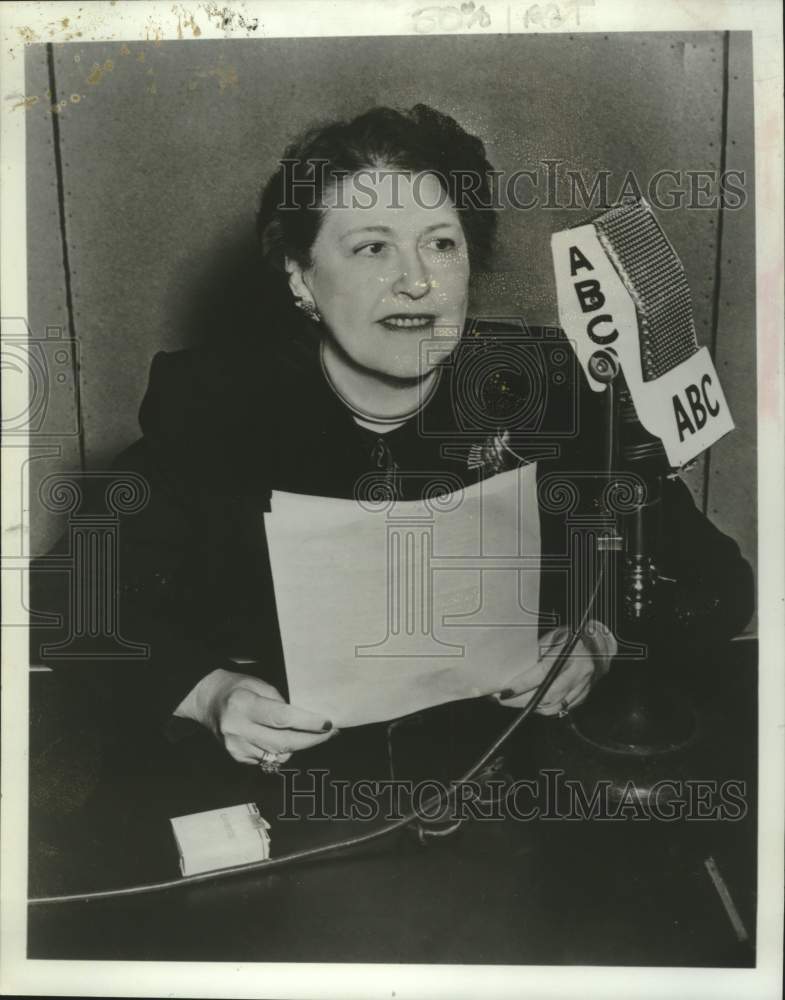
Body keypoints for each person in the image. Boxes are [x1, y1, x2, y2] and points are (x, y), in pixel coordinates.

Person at [30, 104, 754, 776]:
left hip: (505, 784)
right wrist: (208, 693)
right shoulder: (219, 404)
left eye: (441, 244)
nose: (416, 281)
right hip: (289, 782)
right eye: (371, 248)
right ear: (301, 279)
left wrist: (598, 642)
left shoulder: (546, 388)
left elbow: (713, 583)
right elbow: (67, 593)